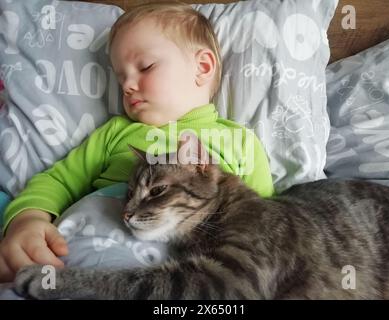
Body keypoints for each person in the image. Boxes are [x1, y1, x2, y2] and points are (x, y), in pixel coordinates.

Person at [0, 1, 274, 282]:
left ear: (202, 67)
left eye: (145, 67)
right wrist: (27, 220)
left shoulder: (239, 140)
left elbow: (266, 221)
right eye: (120, 80)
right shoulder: (116, 133)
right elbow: (57, 181)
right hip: (92, 253)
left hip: (195, 272)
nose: (128, 85)